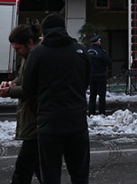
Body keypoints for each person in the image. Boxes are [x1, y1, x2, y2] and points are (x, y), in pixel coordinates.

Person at [22, 13, 91, 184]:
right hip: (77, 123)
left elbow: (28, 89)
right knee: (80, 175)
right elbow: (86, 81)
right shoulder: (80, 51)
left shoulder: (37, 53)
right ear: (64, 29)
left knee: (50, 176)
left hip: (49, 125)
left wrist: (40, 111)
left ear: (44, 32)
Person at [0, 21, 42, 184]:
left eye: (18, 48)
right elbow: (23, 80)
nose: (17, 52)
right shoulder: (29, 55)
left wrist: (10, 91)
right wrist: (11, 83)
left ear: (29, 43)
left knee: (23, 169)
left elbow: (33, 88)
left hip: (36, 120)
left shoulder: (38, 56)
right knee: (39, 167)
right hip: (32, 119)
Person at [87, 34, 112, 115]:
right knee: (101, 96)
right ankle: (102, 113)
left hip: (91, 76)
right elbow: (109, 62)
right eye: (100, 41)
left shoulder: (88, 52)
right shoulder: (101, 52)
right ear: (98, 42)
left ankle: (91, 113)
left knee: (92, 95)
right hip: (101, 76)